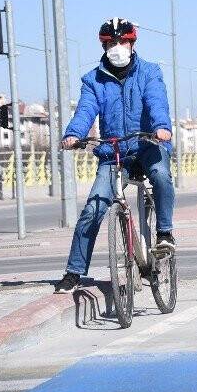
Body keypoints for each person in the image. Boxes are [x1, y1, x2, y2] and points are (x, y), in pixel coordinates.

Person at [53, 18, 176, 293]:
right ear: (104, 46)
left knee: (161, 175)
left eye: (122, 42)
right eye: (110, 43)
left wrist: (162, 127)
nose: (116, 47)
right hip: (114, 151)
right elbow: (85, 110)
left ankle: (165, 233)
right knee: (93, 209)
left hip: (148, 144)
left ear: (132, 44)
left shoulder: (149, 72)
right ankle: (74, 272)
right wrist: (73, 134)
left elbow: (156, 102)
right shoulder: (93, 80)